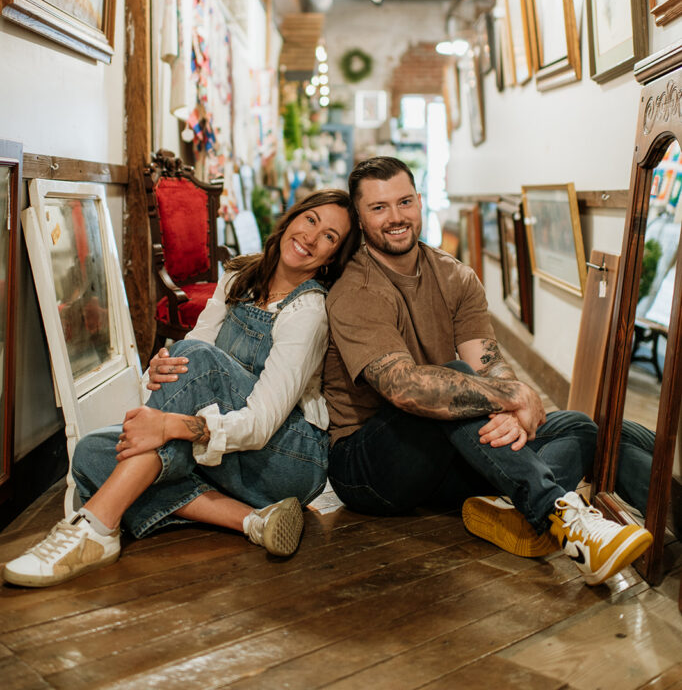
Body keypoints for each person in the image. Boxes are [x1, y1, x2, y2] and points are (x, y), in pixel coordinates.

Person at [4, 188, 361, 588]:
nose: (312, 237)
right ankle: (252, 520)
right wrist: (158, 371)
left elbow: (259, 424)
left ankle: (95, 528)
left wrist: (172, 426)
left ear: (333, 257)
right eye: (311, 220)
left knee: (193, 362)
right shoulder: (240, 276)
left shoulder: (307, 311)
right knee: (91, 453)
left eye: (330, 236)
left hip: (287, 458)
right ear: (294, 217)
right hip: (226, 451)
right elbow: (193, 351)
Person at [323, 156, 653, 587]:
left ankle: (513, 509)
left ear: (421, 202)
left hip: (444, 452)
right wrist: (513, 396)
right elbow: (403, 386)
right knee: (452, 378)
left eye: (404, 202)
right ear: (361, 219)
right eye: (379, 208)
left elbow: (489, 364)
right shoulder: (356, 290)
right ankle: (563, 519)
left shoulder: (454, 275)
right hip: (369, 466)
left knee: (580, 428)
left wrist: (511, 404)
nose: (396, 217)